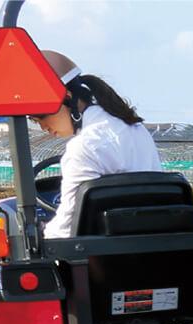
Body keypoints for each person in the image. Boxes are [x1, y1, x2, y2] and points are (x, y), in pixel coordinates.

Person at [35, 50, 160, 238]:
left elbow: (67, 228)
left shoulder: (84, 147)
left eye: (43, 116)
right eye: (35, 121)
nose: (43, 126)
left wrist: (44, 234)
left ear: (68, 98)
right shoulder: (135, 128)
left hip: (107, 257)